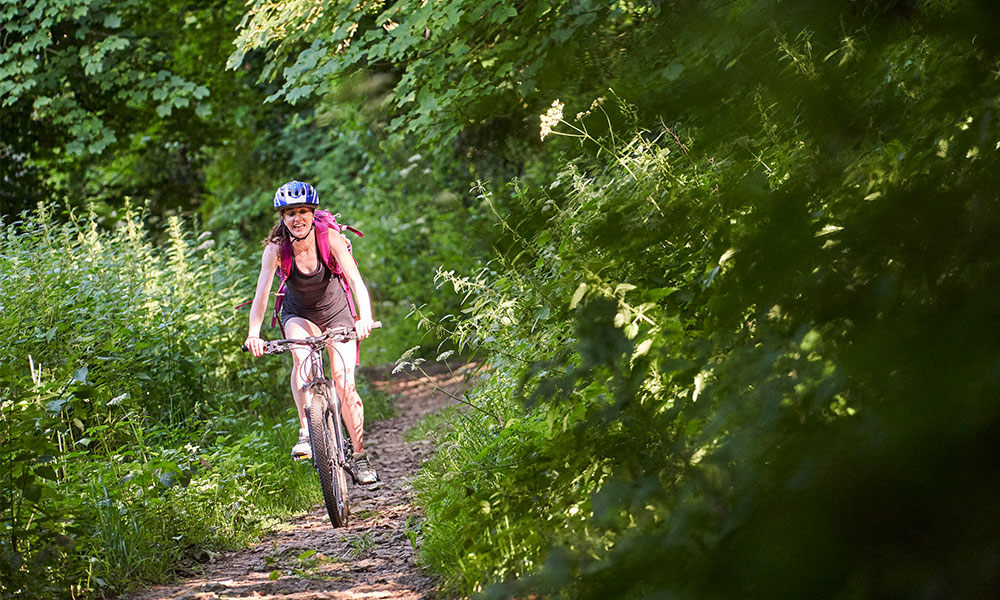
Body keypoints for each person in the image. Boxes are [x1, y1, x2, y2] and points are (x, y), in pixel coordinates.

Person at [244, 180, 379, 485]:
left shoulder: (330, 239)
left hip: (336, 312)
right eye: (290, 212)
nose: (297, 218)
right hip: (298, 313)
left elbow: (356, 281)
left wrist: (365, 318)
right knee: (301, 359)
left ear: (312, 212)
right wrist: (254, 333)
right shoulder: (276, 249)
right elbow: (261, 296)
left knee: (345, 384)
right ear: (283, 218)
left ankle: (359, 455)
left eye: (303, 211)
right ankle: (307, 431)